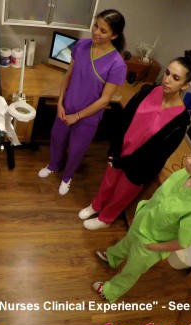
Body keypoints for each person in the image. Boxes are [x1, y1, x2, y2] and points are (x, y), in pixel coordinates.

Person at [92, 137, 191, 303]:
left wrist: (154, 247)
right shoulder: (186, 173)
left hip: (150, 245)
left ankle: (111, 291)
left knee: (131, 271)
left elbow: (182, 242)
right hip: (143, 220)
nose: (188, 160)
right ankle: (113, 257)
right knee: (127, 242)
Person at [79, 50, 191, 230]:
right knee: (108, 182)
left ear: (185, 85)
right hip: (121, 151)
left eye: (175, 78)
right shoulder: (148, 91)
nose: (167, 80)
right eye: (167, 73)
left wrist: (127, 162)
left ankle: (106, 218)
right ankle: (96, 205)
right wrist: (115, 149)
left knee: (122, 193)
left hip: (140, 166)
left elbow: (158, 154)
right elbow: (124, 119)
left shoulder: (180, 121)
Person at [39, 9, 128, 195]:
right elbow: (68, 75)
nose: (96, 32)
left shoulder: (117, 64)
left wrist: (76, 116)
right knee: (57, 138)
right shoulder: (81, 45)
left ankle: (67, 177)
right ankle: (54, 165)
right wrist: (61, 103)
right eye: (96, 26)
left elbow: (104, 101)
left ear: (115, 35)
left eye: (103, 31)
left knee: (77, 149)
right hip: (67, 107)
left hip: (88, 117)